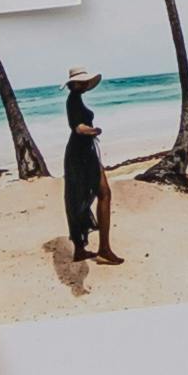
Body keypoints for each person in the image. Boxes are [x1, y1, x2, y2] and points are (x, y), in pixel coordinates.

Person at [57, 72, 110, 268]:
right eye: (82, 81)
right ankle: (104, 250)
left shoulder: (76, 99)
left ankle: (80, 250)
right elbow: (77, 127)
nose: (86, 83)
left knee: (78, 198)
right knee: (104, 193)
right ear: (75, 84)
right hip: (81, 154)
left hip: (82, 152)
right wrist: (93, 130)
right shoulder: (73, 101)